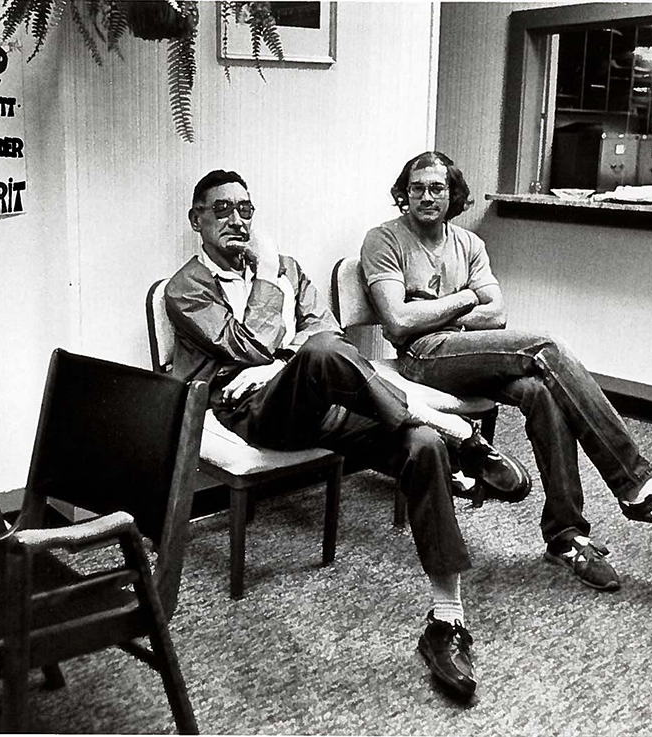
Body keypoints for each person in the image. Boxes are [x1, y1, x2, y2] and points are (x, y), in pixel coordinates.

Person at [165, 169, 531, 704]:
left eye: (245, 208)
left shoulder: (291, 268)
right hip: (251, 410)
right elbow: (246, 348)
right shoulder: (187, 287)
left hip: (320, 396)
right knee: (319, 357)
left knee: (418, 446)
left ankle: (445, 622)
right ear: (197, 220)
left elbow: (327, 332)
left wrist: (284, 359)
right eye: (221, 210)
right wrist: (271, 293)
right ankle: (455, 430)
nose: (236, 220)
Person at [360, 151, 652, 595]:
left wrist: (433, 308)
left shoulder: (470, 245)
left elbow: (498, 315)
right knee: (545, 346)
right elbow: (398, 322)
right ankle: (637, 485)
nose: (425, 197)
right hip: (422, 357)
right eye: (416, 188)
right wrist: (464, 300)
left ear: (453, 193)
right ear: (404, 193)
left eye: (437, 188)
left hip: (463, 351)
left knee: (541, 392)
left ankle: (566, 536)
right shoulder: (384, 240)